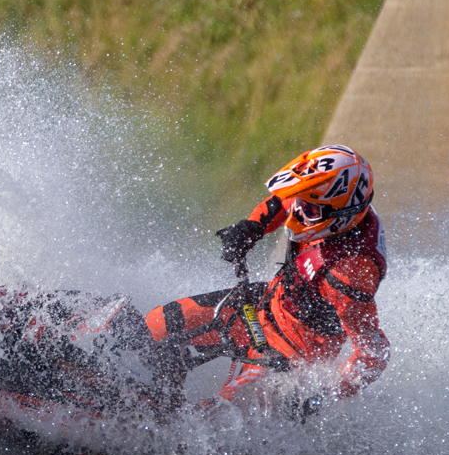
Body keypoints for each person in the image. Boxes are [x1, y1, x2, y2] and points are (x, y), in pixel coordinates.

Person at [145, 145, 389, 414]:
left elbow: (374, 355)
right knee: (156, 324)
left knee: (215, 418)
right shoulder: (330, 204)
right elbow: (282, 202)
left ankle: (157, 434)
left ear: (341, 216)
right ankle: (158, 400)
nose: (298, 213)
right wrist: (252, 227)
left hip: (290, 358)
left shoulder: (350, 275)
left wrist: (322, 395)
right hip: (265, 304)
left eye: (308, 209)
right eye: (302, 201)